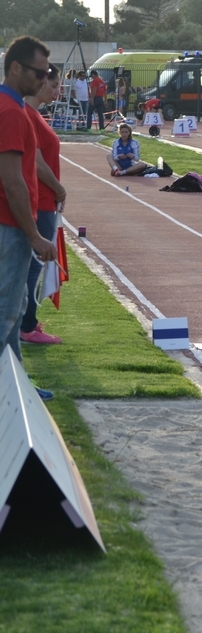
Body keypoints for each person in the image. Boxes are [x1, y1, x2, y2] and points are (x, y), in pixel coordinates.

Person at [0, 36, 58, 400]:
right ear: (16, 68)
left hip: (11, 225)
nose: (44, 79)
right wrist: (34, 234)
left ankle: (17, 387)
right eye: (39, 73)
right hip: (10, 226)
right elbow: (12, 180)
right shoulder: (9, 111)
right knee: (6, 312)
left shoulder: (15, 107)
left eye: (47, 72)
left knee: (14, 309)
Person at [21, 64, 66, 346]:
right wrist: (59, 189)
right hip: (42, 200)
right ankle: (26, 326)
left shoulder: (34, 114)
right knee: (34, 267)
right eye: (54, 85)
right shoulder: (28, 115)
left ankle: (25, 322)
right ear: (40, 83)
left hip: (44, 200)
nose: (57, 91)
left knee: (31, 266)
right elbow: (36, 163)